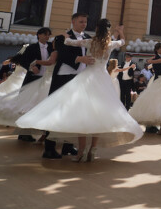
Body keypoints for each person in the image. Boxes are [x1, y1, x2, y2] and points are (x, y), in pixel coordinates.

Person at [17, 20, 142, 162]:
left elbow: (70, 42)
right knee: (99, 115)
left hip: (88, 78)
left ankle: (81, 152)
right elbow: (123, 42)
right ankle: (93, 150)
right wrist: (120, 32)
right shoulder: (110, 44)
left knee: (82, 112)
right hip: (103, 80)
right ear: (108, 31)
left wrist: (64, 35)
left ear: (96, 28)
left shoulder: (89, 42)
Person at [41, 12, 91, 159]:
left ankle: (68, 146)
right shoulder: (62, 37)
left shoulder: (87, 38)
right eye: (81, 22)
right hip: (63, 77)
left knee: (74, 112)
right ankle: (49, 148)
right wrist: (79, 58)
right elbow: (61, 54)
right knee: (55, 111)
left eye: (85, 22)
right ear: (73, 22)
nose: (84, 24)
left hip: (80, 79)